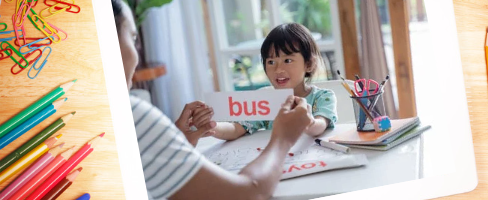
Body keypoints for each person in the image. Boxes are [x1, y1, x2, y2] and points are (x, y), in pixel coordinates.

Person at [112, 1, 314, 199]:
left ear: (309, 64)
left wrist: (180, 139)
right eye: (132, 37)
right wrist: (283, 139)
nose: (137, 53)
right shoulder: (130, 114)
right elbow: (248, 194)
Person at [204, 23, 338, 142]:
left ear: (309, 64)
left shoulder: (323, 97)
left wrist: (309, 123)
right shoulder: (264, 101)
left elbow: (321, 125)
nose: (278, 69)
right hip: (274, 159)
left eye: (287, 60)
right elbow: (236, 128)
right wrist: (212, 126)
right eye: (271, 62)